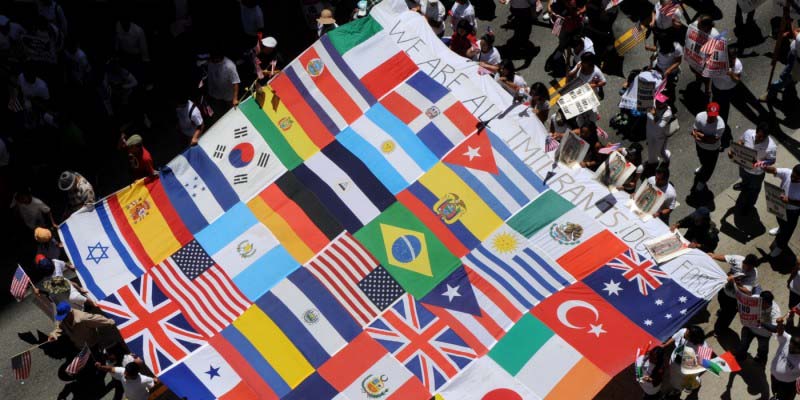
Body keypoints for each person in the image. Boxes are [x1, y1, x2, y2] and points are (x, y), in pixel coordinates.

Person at [729, 122, 777, 211]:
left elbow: (772, 161)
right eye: (759, 136)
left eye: (763, 137)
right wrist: (734, 150)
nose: (761, 139)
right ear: (756, 131)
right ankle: (744, 185)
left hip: (756, 174)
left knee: (753, 191)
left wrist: (760, 163)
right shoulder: (748, 133)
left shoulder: (772, 147)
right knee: (744, 178)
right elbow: (741, 141)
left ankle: (749, 206)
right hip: (743, 167)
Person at [708, 253, 760, 334]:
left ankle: (719, 331)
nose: (750, 269)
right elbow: (725, 258)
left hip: (734, 297)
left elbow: (747, 291)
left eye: (752, 267)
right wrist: (713, 256)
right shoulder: (738, 259)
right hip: (724, 289)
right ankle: (722, 310)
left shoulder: (753, 274)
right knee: (721, 301)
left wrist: (737, 283)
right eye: (749, 267)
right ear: (744, 262)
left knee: (727, 315)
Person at [762, 163, 800, 257]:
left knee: (787, 231)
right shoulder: (788, 173)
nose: (792, 179)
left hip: (793, 212)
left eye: (796, 178)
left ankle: (780, 246)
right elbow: (774, 170)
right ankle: (780, 228)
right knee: (780, 220)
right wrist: (765, 167)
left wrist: (790, 201)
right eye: (793, 176)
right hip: (780, 206)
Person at [49, 300, 116, 350]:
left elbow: (98, 319)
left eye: (64, 316)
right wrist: (54, 334)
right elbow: (60, 328)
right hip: (80, 346)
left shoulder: (83, 318)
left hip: (92, 344)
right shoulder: (63, 320)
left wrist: (110, 321)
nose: (63, 319)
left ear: (69, 312)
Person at [661, 325, 707, 397]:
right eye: (686, 331)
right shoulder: (684, 331)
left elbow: (703, 364)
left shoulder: (703, 348)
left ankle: (678, 393)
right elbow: (675, 336)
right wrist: (666, 344)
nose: (684, 333)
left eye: (687, 334)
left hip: (686, 371)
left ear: (693, 338)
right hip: (675, 365)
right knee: (674, 381)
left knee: (682, 384)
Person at [691, 102, 725, 193]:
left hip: (712, 150)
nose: (712, 118)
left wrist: (700, 136)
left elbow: (713, 141)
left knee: (709, 167)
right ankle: (703, 167)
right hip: (700, 146)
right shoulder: (699, 116)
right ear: (706, 111)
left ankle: (702, 181)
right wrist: (699, 135)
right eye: (710, 115)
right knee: (702, 159)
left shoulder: (720, 125)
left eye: (714, 116)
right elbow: (694, 130)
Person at [737, 290, 780, 364]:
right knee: (743, 345)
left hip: (764, 335)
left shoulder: (775, 311)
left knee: (763, 350)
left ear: (768, 303)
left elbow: (775, 328)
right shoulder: (754, 299)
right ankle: (741, 356)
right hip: (749, 328)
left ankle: (760, 360)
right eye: (760, 301)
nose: (760, 304)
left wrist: (761, 322)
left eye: (763, 304)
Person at [764, 25, 800, 103]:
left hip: (797, 64)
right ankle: (791, 84)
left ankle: (771, 93)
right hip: (795, 56)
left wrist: (788, 20)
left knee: (785, 77)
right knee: (792, 77)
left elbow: (795, 33)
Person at [686, 15, 719, 96]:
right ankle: (698, 80)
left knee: (706, 78)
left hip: (705, 64)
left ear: (706, 27)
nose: (697, 24)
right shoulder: (695, 25)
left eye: (699, 24)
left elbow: (716, 55)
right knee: (697, 73)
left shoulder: (715, 36)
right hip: (695, 59)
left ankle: (707, 89)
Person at [770, 315, 800, 399]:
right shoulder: (788, 339)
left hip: (788, 386)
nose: (791, 345)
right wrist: (780, 323)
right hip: (774, 378)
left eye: (796, 346)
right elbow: (781, 332)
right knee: (775, 391)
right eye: (792, 343)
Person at [711, 47, 742, 123]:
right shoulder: (718, 59)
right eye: (729, 59)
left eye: (733, 59)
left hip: (727, 92)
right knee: (714, 104)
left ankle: (722, 123)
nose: (731, 62)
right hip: (716, 88)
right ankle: (712, 119)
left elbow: (737, 80)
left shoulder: (737, 65)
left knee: (724, 108)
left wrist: (731, 74)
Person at [206, 50, 241, 116]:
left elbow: (235, 82)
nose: (213, 61)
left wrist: (235, 99)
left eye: (215, 59)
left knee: (233, 112)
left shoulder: (229, 66)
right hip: (216, 94)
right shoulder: (210, 63)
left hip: (229, 96)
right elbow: (210, 78)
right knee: (220, 113)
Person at [646, 93, 673, 166]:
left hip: (660, 136)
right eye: (657, 101)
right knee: (650, 148)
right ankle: (652, 162)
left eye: (660, 102)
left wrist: (654, 114)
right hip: (650, 131)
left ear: (665, 103)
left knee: (660, 152)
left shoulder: (668, 113)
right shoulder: (653, 102)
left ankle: (666, 159)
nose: (657, 103)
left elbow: (660, 126)